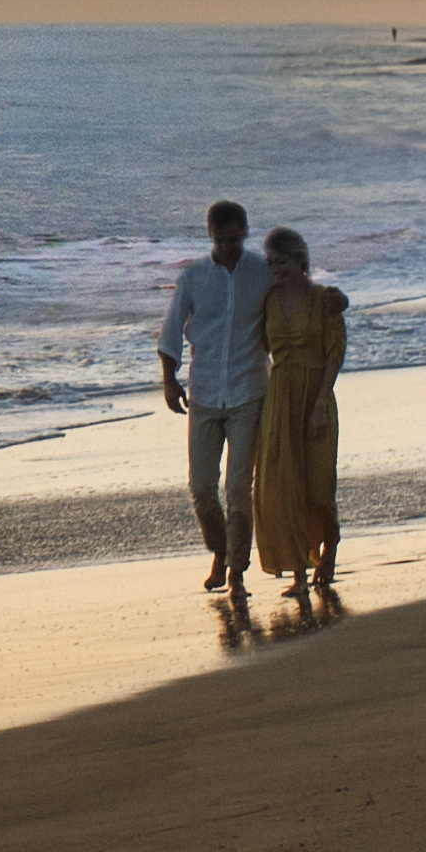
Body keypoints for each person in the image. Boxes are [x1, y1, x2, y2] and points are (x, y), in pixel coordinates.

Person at [153, 198, 264, 595]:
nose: (229, 247)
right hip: (202, 393)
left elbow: (296, 293)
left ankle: (236, 571)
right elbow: (169, 334)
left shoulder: (262, 271)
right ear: (210, 236)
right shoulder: (194, 277)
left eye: (235, 239)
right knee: (201, 488)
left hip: (249, 390)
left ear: (246, 234)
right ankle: (220, 550)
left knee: (238, 487)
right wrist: (169, 381)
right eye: (222, 240)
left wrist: (331, 300)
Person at [249, 224, 348, 600]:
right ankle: (298, 573)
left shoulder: (324, 299)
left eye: (284, 261)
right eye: (272, 262)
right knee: (283, 485)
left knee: (320, 485)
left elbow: (334, 354)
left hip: (316, 395)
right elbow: (251, 340)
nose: (277, 268)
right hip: (279, 396)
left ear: (300, 260)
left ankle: (329, 550)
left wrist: (321, 402)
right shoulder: (267, 300)